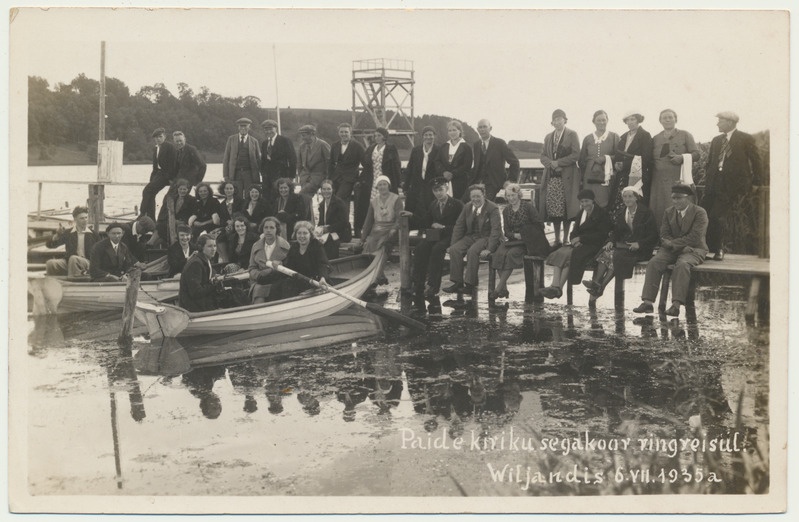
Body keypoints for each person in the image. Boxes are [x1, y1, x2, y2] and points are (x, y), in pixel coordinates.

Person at [634, 184, 708, 317]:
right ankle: (647, 303)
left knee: (682, 265)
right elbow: (664, 234)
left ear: (688, 198)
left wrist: (674, 244)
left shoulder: (699, 212)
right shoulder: (669, 212)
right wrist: (677, 246)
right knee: (654, 262)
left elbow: (695, 236)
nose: (675, 201)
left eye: (679, 198)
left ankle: (676, 305)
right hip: (671, 249)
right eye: (673, 198)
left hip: (694, 249)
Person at [701, 111, 762, 260]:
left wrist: (757, 183)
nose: (717, 124)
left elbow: (756, 161)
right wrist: (707, 179)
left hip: (732, 186)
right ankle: (704, 249)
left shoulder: (745, 138)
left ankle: (718, 249)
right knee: (702, 213)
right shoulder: (716, 140)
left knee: (717, 216)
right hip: (713, 185)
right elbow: (710, 162)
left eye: (720, 121)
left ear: (730, 122)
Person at [582, 185, 658, 299]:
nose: (627, 199)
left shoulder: (646, 213)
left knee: (615, 256)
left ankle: (600, 286)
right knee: (606, 252)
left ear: (636, 198)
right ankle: (597, 283)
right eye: (625, 197)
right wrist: (611, 241)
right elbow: (616, 231)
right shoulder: (622, 212)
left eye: (630, 196)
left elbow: (654, 235)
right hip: (626, 246)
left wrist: (640, 244)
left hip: (641, 249)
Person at [541, 189, 612, 299]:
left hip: (594, 245)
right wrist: (574, 239)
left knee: (571, 256)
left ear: (593, 200)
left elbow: (602, 235)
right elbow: (574, 231)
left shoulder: (602, 214)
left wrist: (581, 239)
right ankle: (555, 285)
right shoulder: (580, 213)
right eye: (582, 202)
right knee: (560, 253)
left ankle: (558, 288)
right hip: (580, 243)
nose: (584, 204)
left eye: (587, 201)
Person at [406, 177, 464, 298]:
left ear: (447, 188)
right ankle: (418, 283)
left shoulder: (457, 204)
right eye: (435, 190)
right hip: (436, 235)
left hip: (451, 236)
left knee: (437, 250)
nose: (438, 193)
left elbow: (462, 226)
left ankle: (433, 285)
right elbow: (425, 221)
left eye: (441, 189)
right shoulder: (433, 204)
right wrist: (412, 215)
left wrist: (443, 227)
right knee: (420, 249)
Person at [490, 183, 550, 300]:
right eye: (508, 196)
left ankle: (498, 289)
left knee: (511, 255)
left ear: (518, 195)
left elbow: (539, 225)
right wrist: (514, 235)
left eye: (513, 195)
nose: (511, 198)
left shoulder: (528, 207)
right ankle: (504, 289)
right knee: (498, 254)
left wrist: (524, 234)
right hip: (513, 240)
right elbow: (506, 231)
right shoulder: (506, 210)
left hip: (528, 241)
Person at [443, 184, 502, 293]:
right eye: (473, 197)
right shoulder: (467, 207)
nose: (475, 199)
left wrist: (489, 249)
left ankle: (470, 284)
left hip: (486, 237)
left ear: (484, 195)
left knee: (472, 251)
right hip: (471, 236)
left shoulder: (492, 208)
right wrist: (452, 244)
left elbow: (496, 230)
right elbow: (459, 226)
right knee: (455, 250)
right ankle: (457, 282)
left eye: (478, 196)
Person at [649, 109, 700, 230]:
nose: (667, 120)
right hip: (658, 182)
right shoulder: (655, 138)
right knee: (659, 209)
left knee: (678, 208)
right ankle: (660, 239)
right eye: (664, 118)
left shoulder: (685, 135)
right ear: (660, 121)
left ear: (675, 119)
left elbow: (697, 154)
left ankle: (679, 239)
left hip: (678, 180)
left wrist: (682, 157)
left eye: (670, 117)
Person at [538, 109, 581, 247]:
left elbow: (576, 155)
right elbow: (542, 155)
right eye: (555, 120)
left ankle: (566, 237)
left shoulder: (572, 134)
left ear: (565, 120)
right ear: (552, 122)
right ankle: (556, 238)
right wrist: (551, 164)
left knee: (566, 208)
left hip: (567, 177)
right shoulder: (548, 137)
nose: (557, 122)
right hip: (552, 178)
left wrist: (559, 163)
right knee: (554, 209)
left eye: (560, 119)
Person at [267, 221, 330, 302]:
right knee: (275, 286)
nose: (302, 236)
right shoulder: (295, 247)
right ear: (295, 234)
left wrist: (323, 277)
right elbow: (288, 264)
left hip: (314, 281)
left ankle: (285, 308)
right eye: (299, 233)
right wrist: (280, 263)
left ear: (310, 234)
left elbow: (323, 264)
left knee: (288, 285)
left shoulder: (316, 245)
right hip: (299, 279)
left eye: (305, 233)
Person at [355, 127, 402, 236]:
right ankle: (368, 230)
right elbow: (365, 163)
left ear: (385, 137)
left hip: (385, 179)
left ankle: (386, 228)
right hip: (372, 180)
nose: (377, 137)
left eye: (379, 135)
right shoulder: (371, 148)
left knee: (386, 203)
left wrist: (399, 181)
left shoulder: (390, 148)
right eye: (375, 135)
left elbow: (396, 165)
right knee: (370, 204)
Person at [361, 175, 403, 286]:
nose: (382, 187)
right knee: (368, 245)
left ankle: (376, 277)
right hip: (377, 229)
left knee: (383, 247)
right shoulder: (374, 201)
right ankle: (378, 276)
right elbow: (368, 220)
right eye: (380, 185)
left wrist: (394, 228)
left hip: (391, 229)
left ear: (388, 185)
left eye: (384, 184)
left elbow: (400, 217)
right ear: (377, 187)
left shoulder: (396, 198)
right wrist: (363, 237)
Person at [612, 111, 652, 216]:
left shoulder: (645, 135)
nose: (630, 122)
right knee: (621, 203)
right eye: (628, 120)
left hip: (637, 176)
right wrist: (616, 163)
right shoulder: (623, 136)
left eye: (633, 119)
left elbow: (646, 158)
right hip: (622, 176)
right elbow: (618, 154)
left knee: (636, 202)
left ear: (638, 120)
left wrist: (624, 165)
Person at [470, 119, 519, 202]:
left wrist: (510, 181)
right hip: (477, 182)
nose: (482, 129)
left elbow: (514, 162)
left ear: (490, 128)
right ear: (477, 129)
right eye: (480, 127)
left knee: (483, 203)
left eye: (485, 127)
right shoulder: (476, 145)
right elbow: (477, 166)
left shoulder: (499, 143)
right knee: (463, 202)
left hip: (494, 183)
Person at [578, 110, 620, 208]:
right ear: (594, 122)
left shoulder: (614, 136)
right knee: (589, 203)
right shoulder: (587, 138)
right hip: (589, 177)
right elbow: (582, 160)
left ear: (607, 120)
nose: (601, 122)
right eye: (598, 120)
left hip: (606, 176)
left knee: (605, 204)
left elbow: (619, 156)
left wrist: (605, 158)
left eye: (603, 120)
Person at [44, 206, 98, 277]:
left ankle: (74, 284)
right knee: (50, 263)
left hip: (87, 262)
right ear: (75, 219)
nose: (85, 220)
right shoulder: (68, 233)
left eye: (86, 217)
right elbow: (50, 245)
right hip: (69, 261)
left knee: (73, 259)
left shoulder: (93, 234)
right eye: (82, 218)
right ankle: (54, 285)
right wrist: (57, 235)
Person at [404, 126, 440, 230]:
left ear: (434, 136)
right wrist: (406, 186)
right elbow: (410, 168)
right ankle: (410, 234)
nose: (429, 137)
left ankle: (427, 233)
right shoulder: (416, 150)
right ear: (423, 137)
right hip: (416, 185)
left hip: (431, 186)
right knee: (412, 208)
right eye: (426, 135)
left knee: (428, 209)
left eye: (431, 135)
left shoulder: (439, 150)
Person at [248, 216, 292, 303]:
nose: (268, 230)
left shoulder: (286, 246)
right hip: (261, 281)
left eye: (272, 227)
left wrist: (280, 264)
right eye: (266, 227)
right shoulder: (256, 246)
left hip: (278, 281)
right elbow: (251, 268)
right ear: (262, 229)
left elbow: (290, 267)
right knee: (258, 294)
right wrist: (259, 275)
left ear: (277, 230)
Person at [139, 127, 176, 219]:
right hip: (158, 175)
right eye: (156, 137)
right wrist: (152, 180)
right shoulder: (156, 149)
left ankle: (142, 214)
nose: (158, 139)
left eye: (160, 136)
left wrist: (170, 178)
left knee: (147, 191)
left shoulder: (169, 147)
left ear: (165, 137)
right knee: (151, 193)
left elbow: (173, 164)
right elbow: (155, 167)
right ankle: (151, 218)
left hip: (166, 175)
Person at [179, 235, 221, 312]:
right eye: (210, 246)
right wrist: (213, 285)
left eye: (215, 246)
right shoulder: (196, 264)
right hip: (193, 307)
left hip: (201, 303)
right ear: (201, 247)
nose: (213, 249)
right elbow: (196, 292)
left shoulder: (204, 259)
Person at [435, 120, 473, 202]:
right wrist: (443, 172)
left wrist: (453, 174)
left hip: (460, 182)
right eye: (450, 130)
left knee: (459, 204)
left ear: (460, 131)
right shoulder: (444, 146)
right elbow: (437, 161)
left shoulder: (466, 147)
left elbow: (467, 165)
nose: (452, 132)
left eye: (454, 130)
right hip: (445, 181)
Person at [223, 117, 262, 197]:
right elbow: (226, 158)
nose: (243, 128)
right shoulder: (231, 139)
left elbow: (259, 159)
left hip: (249, 174)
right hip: (235, 174)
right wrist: (226, 175)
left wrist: (260, 175)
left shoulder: (254, 141)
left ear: (249, 127)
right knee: (237, 196)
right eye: (241, 126)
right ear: (238, 127)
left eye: (245, 126)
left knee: (249, 196)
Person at [154, 178, 197, 246]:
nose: (182, 191)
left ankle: (168, 244)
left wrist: (183, 221)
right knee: (160, 226)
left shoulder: (192, 200)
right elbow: (167, 213)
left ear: (188, 189)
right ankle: (153, 244)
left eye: (184, 189)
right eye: (180, 189)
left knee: (175, 228)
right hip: (172, 222)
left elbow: (193, 214)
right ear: (177, 189)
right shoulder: (173, 198)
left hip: (184, 222)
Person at [327, 122, 365, 202]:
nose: (343, 134)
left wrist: (360, 179)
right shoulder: (335, 145)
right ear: (338, 133)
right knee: (332, 199)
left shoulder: (357, 146)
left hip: (350, 179)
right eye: (341, 132)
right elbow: (331, 163)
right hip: (336, 178)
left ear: (350, 133)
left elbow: (366, 164)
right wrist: (329, 178)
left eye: (346, 132)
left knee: (339, 198)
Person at [259, 119, 297, 199]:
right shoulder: (264, 143)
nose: (268, 131)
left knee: (281, 199)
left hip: (281, 176)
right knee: (267, 199)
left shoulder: (284, 141)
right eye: (266, 129)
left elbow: (292, 159)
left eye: (270, 129)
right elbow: (263, 160)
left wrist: (291, 177)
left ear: (276, 128)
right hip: (267, 179)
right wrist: (263, 173)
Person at [315, 179, 352, 260]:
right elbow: (321, 222)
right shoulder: (322, 204)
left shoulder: (339, 203)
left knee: (329, 241)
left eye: (328, 189)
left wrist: (328, 229)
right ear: (321, 190)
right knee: (314, 239)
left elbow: (344, 222)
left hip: (341, 232)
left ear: (333, 190)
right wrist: (318, 229)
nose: (326, 191)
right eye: (324, 189)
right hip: (327, 231)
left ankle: (330, 262)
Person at [215, 180, 245, 263]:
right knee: (219, 238)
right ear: (223, 190)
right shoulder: (222, 204)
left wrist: (234, 221)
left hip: (240, 226)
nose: (228, 190)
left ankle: (234, 260)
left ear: (234, 190)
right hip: (227, 227)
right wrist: (226, 223)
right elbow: (222, 219)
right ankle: (225, 260)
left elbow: (242, 214)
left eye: (231, 188)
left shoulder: (241, 201)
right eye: (226, 188)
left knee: (232, 237)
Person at [297, 124, 331, 197]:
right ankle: (308, 209)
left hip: (318, 177)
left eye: (304, 135)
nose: (302, 138)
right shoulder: (302, 146)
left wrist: (327, 179)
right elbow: (299, 164)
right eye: (301, 135)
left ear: (312, 134)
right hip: (304, 178)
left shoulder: (323, 145)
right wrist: (301, 175)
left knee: (302, 195)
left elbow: (329, 163)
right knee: (306, 200)